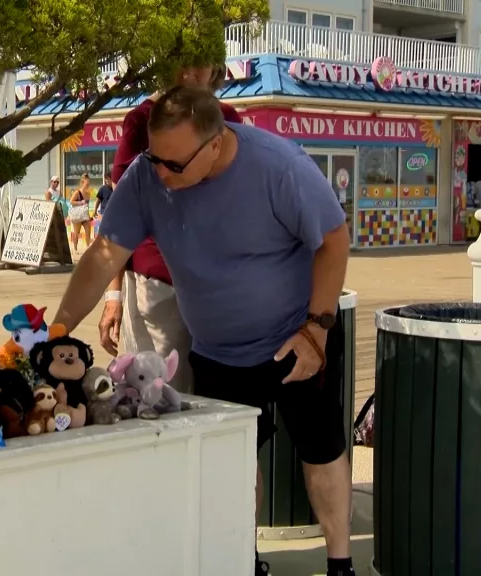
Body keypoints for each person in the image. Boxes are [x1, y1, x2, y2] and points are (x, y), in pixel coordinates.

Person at [51, 87, 354, 576]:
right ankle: (241, 558)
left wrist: (317, 331)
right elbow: (105, 252)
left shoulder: (280, 166)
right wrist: (60, 328)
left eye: (175, 164)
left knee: (321, 450)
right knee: (231, 461)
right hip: (217, 351)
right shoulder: (148, 178)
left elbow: (334, 239)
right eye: (154, 159)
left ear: (216, 143)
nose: (161, 175)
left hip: (297, 338)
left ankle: (341, 564)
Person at [98, 64, 241, 395]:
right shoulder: (143, 119)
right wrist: (114, 294)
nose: (188, 73)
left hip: (212, 281)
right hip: (159, 280)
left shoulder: (228, 117)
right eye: (183, 62)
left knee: (191, 394)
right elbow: (120, 219)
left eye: (199, 62)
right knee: (155, 390)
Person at [68, 173, 94, 252]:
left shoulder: (88, 194)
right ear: (82, 183)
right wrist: (80, 202)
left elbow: (87, 206)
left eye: (89, 184)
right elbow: (71, 202)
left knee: (88, 230)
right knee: (77, 232)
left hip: (85, 215)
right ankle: (75, 248)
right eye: (86, 184)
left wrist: (89, 216)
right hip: (77, 214)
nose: (88, 185)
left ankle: (87, 247)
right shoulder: (77, 192)